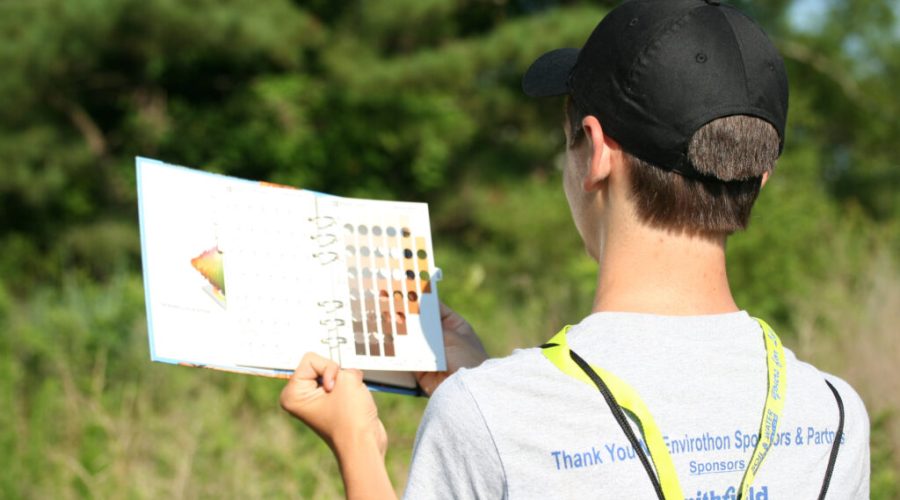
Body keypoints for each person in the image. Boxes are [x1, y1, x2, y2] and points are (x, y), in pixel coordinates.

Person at [280, 0, 870, 498]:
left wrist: (358, 442)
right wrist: (481, 390)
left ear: (597, 152)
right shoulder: (835, 416)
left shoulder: (489, 416)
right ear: (760, 176)